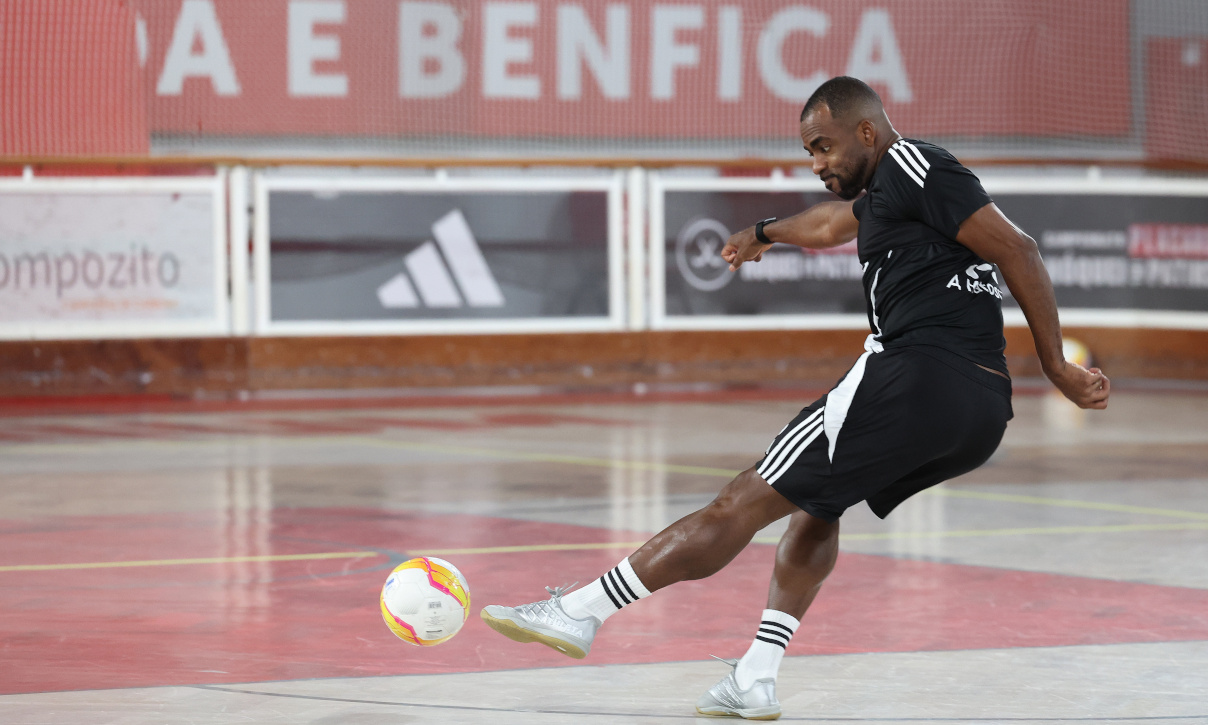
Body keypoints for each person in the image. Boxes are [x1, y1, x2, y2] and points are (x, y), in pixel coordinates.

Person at [480, 76, 1110, 720]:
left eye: (823, 147)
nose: (817, 165)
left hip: (916, 377)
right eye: (810, 153)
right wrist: (765, 231)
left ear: (866, 132)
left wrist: (1056, 365)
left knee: (738, 504)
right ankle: (756, 675)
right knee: (818, 502)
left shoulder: (915, 165)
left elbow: (1019, 249)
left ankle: (579, 612)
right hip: (977, 413)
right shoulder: (892, 190)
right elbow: (835, 222)